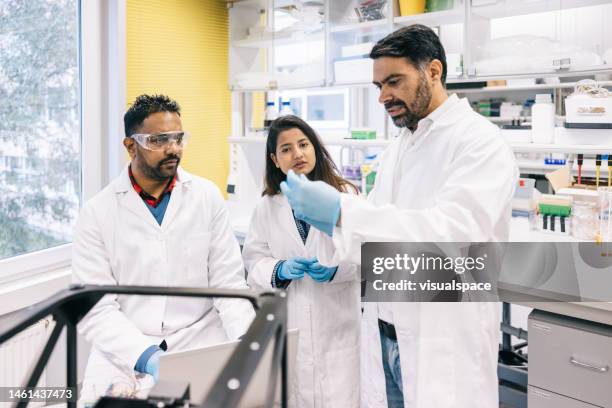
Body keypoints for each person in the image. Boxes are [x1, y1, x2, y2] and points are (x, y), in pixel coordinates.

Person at [280, 25, 519, 407]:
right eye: (378, 86)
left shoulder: (479, 142)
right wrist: (340, 247)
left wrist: (344, 212)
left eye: (394, 81)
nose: (384, 96)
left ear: (433, 71)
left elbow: (453, 233)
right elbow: (379, 230)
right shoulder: (401, 146)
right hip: (386, 334)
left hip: (441, 338)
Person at [72, 94, 255, 398]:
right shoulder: (97, 212)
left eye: (178, 138)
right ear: (131, 146)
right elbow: (96, 308)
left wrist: (249, 342)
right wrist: (147, 356)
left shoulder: (206, 196)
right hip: (124, 347)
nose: (172, 148)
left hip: (199, 337)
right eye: (158, 140)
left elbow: (228, 283)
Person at [241, 115, 361, 407]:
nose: (297, 154)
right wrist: (279, 270)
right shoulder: (267, 207)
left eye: (303, 144)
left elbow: (364, 256)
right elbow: (253, 262)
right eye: (286, 149)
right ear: (275, 159)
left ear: (315, 148)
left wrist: (335, 269)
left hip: (339, 328)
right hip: (291, 326)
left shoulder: (345, 196)